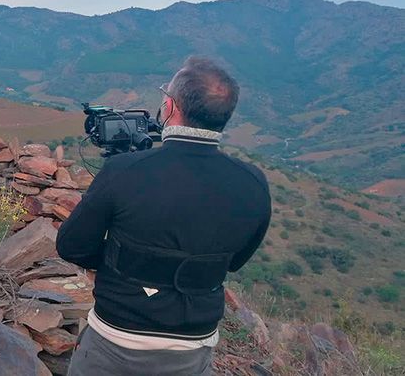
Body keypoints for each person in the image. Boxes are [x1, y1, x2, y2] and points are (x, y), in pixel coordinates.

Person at [56, 57, 271, 375]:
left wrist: (116, 262)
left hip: (116, 339)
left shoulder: (124, 171)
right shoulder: (253, 183)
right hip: (193, 345)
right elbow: (234, 261)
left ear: (170, 107)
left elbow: (71, 246)